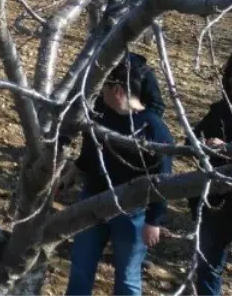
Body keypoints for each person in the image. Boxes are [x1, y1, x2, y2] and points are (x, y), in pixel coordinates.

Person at [65, 59, 174, 296]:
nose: (99, 93)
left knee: (127, 276)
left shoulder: (154, 130)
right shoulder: (101, 114)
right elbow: (89, 150)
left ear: (117, 90)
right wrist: (74, 171)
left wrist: (154, 220)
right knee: (81, 267)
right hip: (92, 202)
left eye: (104, 87)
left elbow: (162, 180)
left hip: (131, 212)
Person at [189, 41, 232, 296]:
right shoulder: (221, 112)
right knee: (209, 265)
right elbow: (192, 139)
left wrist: (231, 148)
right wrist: (204, 146)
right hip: (218, 201)